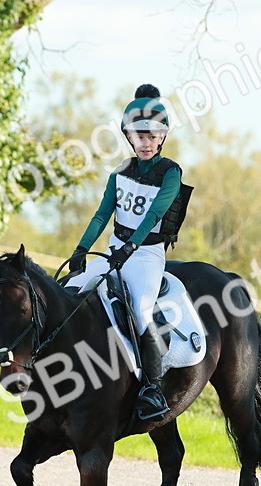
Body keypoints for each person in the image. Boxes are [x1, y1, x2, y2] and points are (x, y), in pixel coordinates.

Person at [67, 84, 185, 422]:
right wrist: (81, 249)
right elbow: (103, 214)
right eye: (139, 136)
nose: (146, 143)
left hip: (146, 256)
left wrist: (131, 247)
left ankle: (152, 388)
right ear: (129, 136)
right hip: (114, 249)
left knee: (142, 309)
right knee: (71, 291)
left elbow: (152, 217)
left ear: (161, 138)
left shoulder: (171, 173)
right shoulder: (120, 171)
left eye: (152, 137)